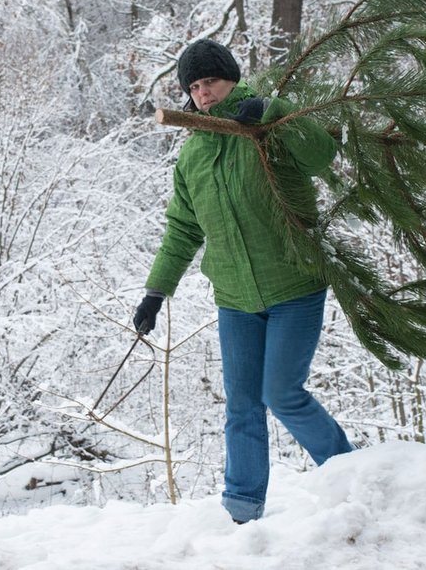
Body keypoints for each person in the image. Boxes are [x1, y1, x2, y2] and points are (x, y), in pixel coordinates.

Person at [133, 39, 354, 524]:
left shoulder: (269, 127)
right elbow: (183, 229)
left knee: (282, 393)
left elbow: (321, 155)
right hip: (234, 298)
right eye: (193, 87)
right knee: (242, 406)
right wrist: (156, 291)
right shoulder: (191, 159)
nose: (203, 94)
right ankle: (242, 508)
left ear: (230, 78)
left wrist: (275, 113)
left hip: (294, 286)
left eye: (209, 80)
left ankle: (353, 478)